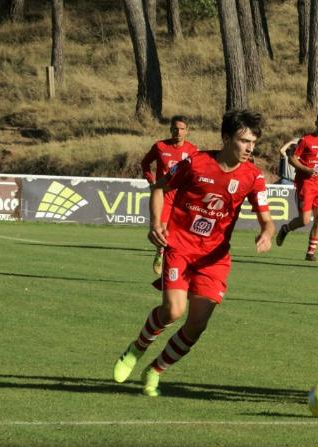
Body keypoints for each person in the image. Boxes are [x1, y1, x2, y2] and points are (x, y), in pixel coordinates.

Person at [112, 110, 274, 397]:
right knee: (173, 310)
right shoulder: (196, 163)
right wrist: (155, 224)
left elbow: (266, 218)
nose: (250, 148)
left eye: (253, 142)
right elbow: (160, 189)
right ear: (226, 138)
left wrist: (267, 232)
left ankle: (156, 370)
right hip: (181, 246)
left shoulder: (252, 176)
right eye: (244, 141)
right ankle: (136, 349)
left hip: (214, 257)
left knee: (197, 324)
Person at [140, 116, 199, 275]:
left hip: (182, 196)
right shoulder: (160, 146)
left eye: (181, 129)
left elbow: (197, 171)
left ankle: (177, 262)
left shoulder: (193, 150)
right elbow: (145, 163)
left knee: (181, 233)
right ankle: (160, 253)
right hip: (164, 195)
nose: (178, 132)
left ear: (187, 131)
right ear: (170, 129)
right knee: (163, 231)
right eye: (175, 128)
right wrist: (151, 181)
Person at [275, 112, 318, 261]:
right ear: (316, 123)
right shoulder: (306, 140)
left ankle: (310, 253)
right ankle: (286, 228)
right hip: (306, 184)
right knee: (305, 220)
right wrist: (307, 169)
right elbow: (292, 159)